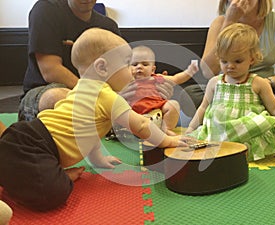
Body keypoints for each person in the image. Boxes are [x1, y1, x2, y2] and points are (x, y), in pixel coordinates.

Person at [0, 28, 189, 211]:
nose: (131, 71)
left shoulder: (80, 89)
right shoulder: (107, 96)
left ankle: (13, 176)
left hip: (25, 137)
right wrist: (167, 140)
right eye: (126, 64)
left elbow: (90, 131)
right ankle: (48, 178)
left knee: (10, 165)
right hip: (36, 145)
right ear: (102, 67)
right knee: (53, 194)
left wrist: (98, 159)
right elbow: (140, 125)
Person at [186, 23, 275, 161]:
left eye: (238, 61)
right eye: (224, 61)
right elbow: (203, 107)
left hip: (248, 128)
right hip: (219, 130)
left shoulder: (258, 83)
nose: (230, 66)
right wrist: (190, 129)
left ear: (252, 59)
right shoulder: (214, 83)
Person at [180, 0, 275, 121]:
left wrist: (267, 83)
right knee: (189, 95)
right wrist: (229, 21)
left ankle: (233, 115)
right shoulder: (220, 22)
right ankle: (266, 115)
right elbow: (208, 72)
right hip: (227, 92)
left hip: (267, 91)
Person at [18, 0, 121, 121]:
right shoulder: (46, 10)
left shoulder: (108, 26)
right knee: (58, 96)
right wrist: (96, 95)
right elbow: (50, 71)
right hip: (44, 92)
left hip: (96, 96)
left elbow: (118, 71)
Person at [121, 46, 199, 135]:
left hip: (157, 111)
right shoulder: (128, 81)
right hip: (134, 113)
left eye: (145, 64)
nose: (139, 67)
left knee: (173, 104)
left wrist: (190, 71)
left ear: (153, 69)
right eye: (134, 64)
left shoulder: (156, 78)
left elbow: (176, 79)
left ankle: (166, 129)